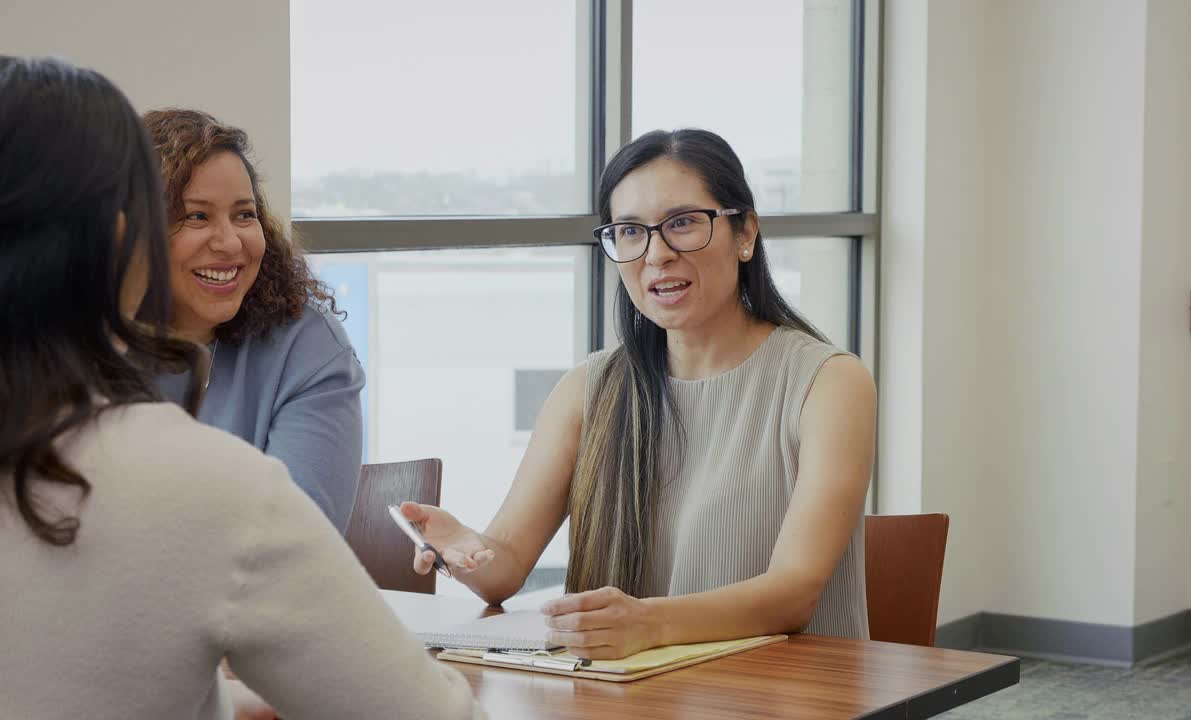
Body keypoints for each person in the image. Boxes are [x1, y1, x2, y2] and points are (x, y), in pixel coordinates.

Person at [0, 56, 483, 720]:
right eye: (186, 215)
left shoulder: (291, 354)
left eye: (244, 214)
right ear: (118, 238)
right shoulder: (210, 484)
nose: (226, 242)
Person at [401, 129, 877, 660]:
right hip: (631, 698)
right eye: (630, 231)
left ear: (745, 233)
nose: (657, 254)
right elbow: (505, 566)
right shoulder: (589, 389)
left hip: (792, 697)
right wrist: (466, 547)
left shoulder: (829, 382)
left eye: (683, 223)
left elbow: (793, 594)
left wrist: (647, 622)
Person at [144, 108, 362, 529]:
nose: (229, 242)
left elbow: (298, 539)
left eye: (245, 214)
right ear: (134, 232)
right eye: (196, 216)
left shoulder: (307, 344)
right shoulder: (74, 345)